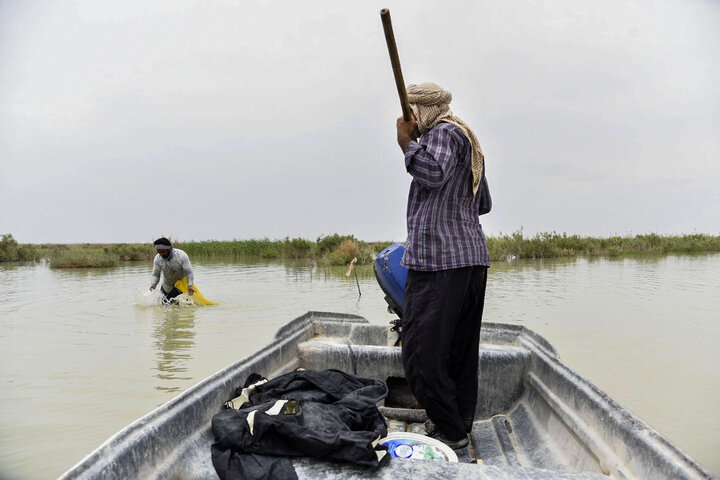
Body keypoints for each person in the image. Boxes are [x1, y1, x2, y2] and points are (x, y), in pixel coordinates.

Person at [395, 82, 491, 450]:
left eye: (410, 113)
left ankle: (450, 430)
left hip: (439, 262)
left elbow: (432, 173)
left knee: (419, 354)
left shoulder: (443, 133)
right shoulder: (468, 138)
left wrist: (406, 143)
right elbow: (482, 202)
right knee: (457, 353)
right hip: (470, 259)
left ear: (421, 111)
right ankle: (456, 424)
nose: (407, 120)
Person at [149, 237, 195, 304]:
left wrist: (190, 285)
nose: (161, 254)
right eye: (159, 252)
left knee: (183, 308)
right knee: (165, 307)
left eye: (163, 251)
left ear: (169, 249)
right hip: (167, 286)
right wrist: (153, 284)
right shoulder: (157, 259)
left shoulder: (181, 256)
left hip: (181, 286)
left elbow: (189, 272)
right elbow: (156, 274)